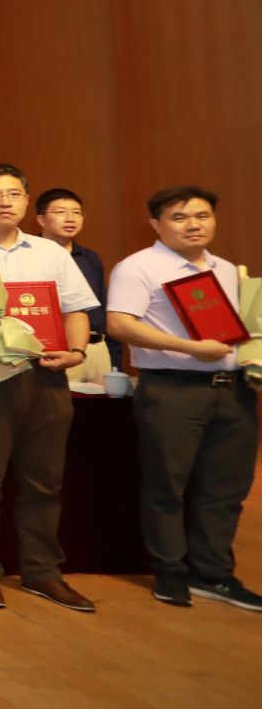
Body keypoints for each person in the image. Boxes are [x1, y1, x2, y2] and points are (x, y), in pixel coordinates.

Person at [0, 163, 98, 612]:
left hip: (45, 373)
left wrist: (76, 351)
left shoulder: (50, 253)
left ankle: (43, 572)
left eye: (13, 194)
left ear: (27, 201)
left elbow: (75, 309)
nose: (5, 202)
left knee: (45, 478)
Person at [105, 186, 260, 611]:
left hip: (233, 391)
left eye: (203, 216)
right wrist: (190, 348)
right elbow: (119, 324)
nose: (194, 225)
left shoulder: (227, 269)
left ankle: (212, 573)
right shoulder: (138, 267)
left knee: (226, 487)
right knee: (166, 486)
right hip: (172, 389)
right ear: (156, 224)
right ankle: (169, 571)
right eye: (179, 217)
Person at [34, 188, 109, 357]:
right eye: (60, 212)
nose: (70, 218)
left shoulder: (90, 258)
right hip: (54, 349)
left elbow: (102, 309)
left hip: (96, 348)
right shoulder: (28, 255)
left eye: (76, 212)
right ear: (41, 220)